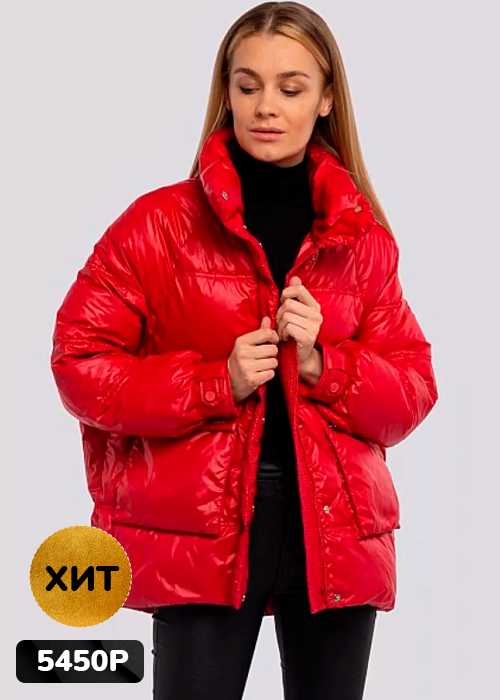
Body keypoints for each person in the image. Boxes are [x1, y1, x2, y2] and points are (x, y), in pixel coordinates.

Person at [50, 2, 439, 698]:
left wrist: (323, 364)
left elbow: (411, 392)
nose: (267, 107)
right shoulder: (159, 225)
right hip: (200, 531)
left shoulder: (363, 242)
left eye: (291, 87)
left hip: (335, 531)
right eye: (248, 84)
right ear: (225, 92)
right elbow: (80, 365)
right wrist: (214, 383)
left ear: (326, 100)